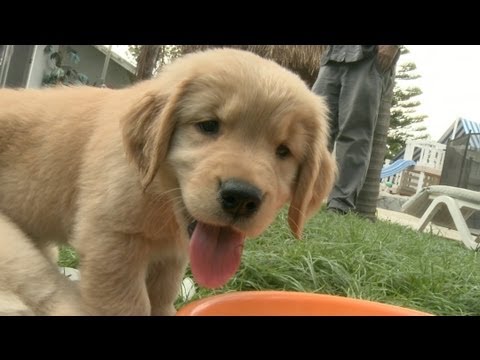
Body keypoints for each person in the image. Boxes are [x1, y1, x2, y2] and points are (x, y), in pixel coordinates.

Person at [312, 45, 400, 214]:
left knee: (355, 134)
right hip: (333, 55)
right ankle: (303, 193)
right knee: (315, 129)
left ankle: (339, 205)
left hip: (368, 55)